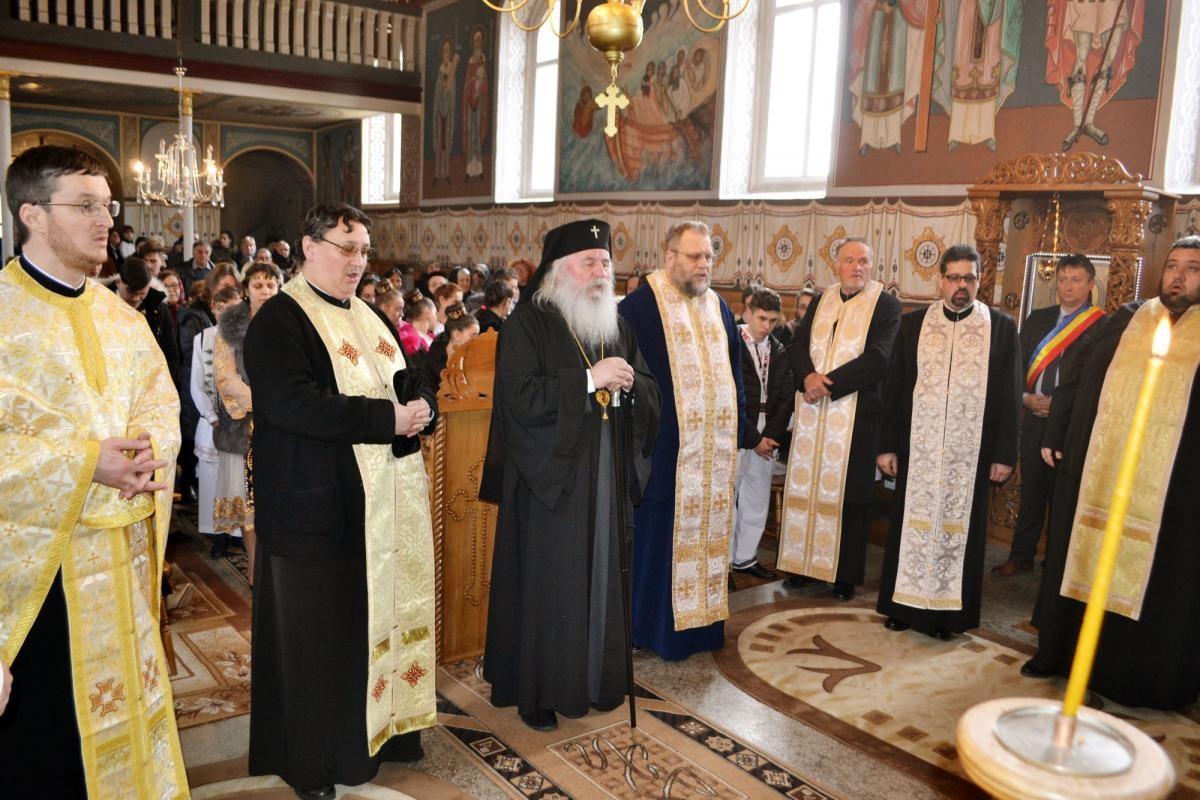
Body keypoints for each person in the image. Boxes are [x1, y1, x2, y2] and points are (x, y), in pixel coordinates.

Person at [0, 145, 188, 797]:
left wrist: (142, 455)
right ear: (33, 214)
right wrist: (87, 464)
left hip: (120, 557)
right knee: (42, 741)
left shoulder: (123, 320)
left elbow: (161, 406)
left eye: (107, 205)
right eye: (85, 206)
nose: (106, 220)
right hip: (36, 573)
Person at [243, 203, 437, 799]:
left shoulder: (370, 315)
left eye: (363, 251)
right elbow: (293, 404)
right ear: (309, 246)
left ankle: (382, 734)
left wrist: (422, 404)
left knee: (368, 625)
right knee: (318, 642)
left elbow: (404, 378)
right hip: (314, 511)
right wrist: (387, 419)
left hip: (378, 508)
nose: (358, 262)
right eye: (346, 248)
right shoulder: (280, 319)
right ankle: (314, 763)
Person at [483, 219, 661, 730]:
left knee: (601, 576)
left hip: (604, 476)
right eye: (590, 262)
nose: (602, 271)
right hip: (551, 482)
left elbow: (649, 388)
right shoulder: (529, 323)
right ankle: (538, 693)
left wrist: (633, 386)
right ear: (560, 270)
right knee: (551, 585)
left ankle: (597, 680)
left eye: (606, 262)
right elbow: (518, 397)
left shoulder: (615, 326)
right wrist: (588, 379)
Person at [1021, 237, 1200, 710]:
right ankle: (1059, 653)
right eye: (1173, 266)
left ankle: (1141, 678)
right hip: (1097, 472)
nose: (1178, 276)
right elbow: (1076, 380)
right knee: (1077, 559)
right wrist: (1055, 434)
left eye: (1192, 268)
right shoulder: (1128, 319)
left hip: (1173, 492)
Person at [875, 244, 1021, 639]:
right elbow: (896, 387)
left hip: (970, 457)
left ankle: (947, 617)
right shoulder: (914, 324)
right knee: (911, 526)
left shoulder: (1000, 327)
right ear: (940, 280)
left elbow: (1010, 395)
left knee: (960, 535)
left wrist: (1005, 454)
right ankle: (901, 607)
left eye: (969, 278)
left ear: (979, 280)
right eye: (954, 278)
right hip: (919, 451)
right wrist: (887, 445)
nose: (961, 286)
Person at [618, 220, 746, 661]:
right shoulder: (638, 308)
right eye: (695, 256)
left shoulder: (719, 307)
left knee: (708, 540)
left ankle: (702, 629)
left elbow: (736, 373)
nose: (704, 264)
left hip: (713, 456)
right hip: (662, 456)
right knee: (657, 542)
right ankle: (649, 631)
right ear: (670, 257)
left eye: (709, 256)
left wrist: (738, 430)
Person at [779, 239, 900, 601]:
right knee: (807, 489)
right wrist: (807, 377)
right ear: (836, 265)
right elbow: (797, 345)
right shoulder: (822, 299)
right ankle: (802, 567)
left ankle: (843, 576)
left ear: (872, 266)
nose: (856, 267)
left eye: (863, 261)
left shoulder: (886, 304)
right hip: (812, 414)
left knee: (850, 498)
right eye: (849, 260)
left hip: (857, 415)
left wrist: (826, 384)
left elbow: (880, 357)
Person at [993, 254, 1103, 576]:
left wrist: (1064, 406)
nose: (1068, 287)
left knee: (1062, 498)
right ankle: (1021, 556)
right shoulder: (1038, 318)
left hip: (1070, 428)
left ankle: (1055, 563)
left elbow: (1096, 379)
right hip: (1034, 420)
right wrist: (1025, 399)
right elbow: (1015, 367)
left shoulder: (1101, 326)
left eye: (1076, 280)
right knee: (1031, 492)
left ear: (1090, 284)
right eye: (1063, 279)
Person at [211, 261, 283, 564]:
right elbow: (226, 377)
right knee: (250, 505)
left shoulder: (290, 321)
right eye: (258, 285)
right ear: (246, 290)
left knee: (281, 501)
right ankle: (254, 571)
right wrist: (264, 403)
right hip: (249, 424)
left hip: (285, 422)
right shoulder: (231, 326)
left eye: (270, 285)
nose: (265, 290)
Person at [730, 288, 793, 584]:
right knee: (729, 498)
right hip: (740, 432)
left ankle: (745, 557)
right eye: (761, 318)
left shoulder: (778, 349)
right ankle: (723, 563)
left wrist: (771, 436)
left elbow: (785, 397)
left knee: (756, 496)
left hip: (767, 432)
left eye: (772, 320)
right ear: (747, 312)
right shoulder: (731, 343)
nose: (766, 326)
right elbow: (731, 395)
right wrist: (753, 439)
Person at [191, 286, 244, 552]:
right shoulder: (203, 339)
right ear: (213, 308)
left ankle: (237, 531)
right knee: (213, 477)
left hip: (242, 420)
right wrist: (212, 417)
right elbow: (197, 383)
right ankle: (217, 534)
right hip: (214, 421)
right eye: (221, 308)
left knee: (238, 479)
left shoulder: (247, 337)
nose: (226, 314)